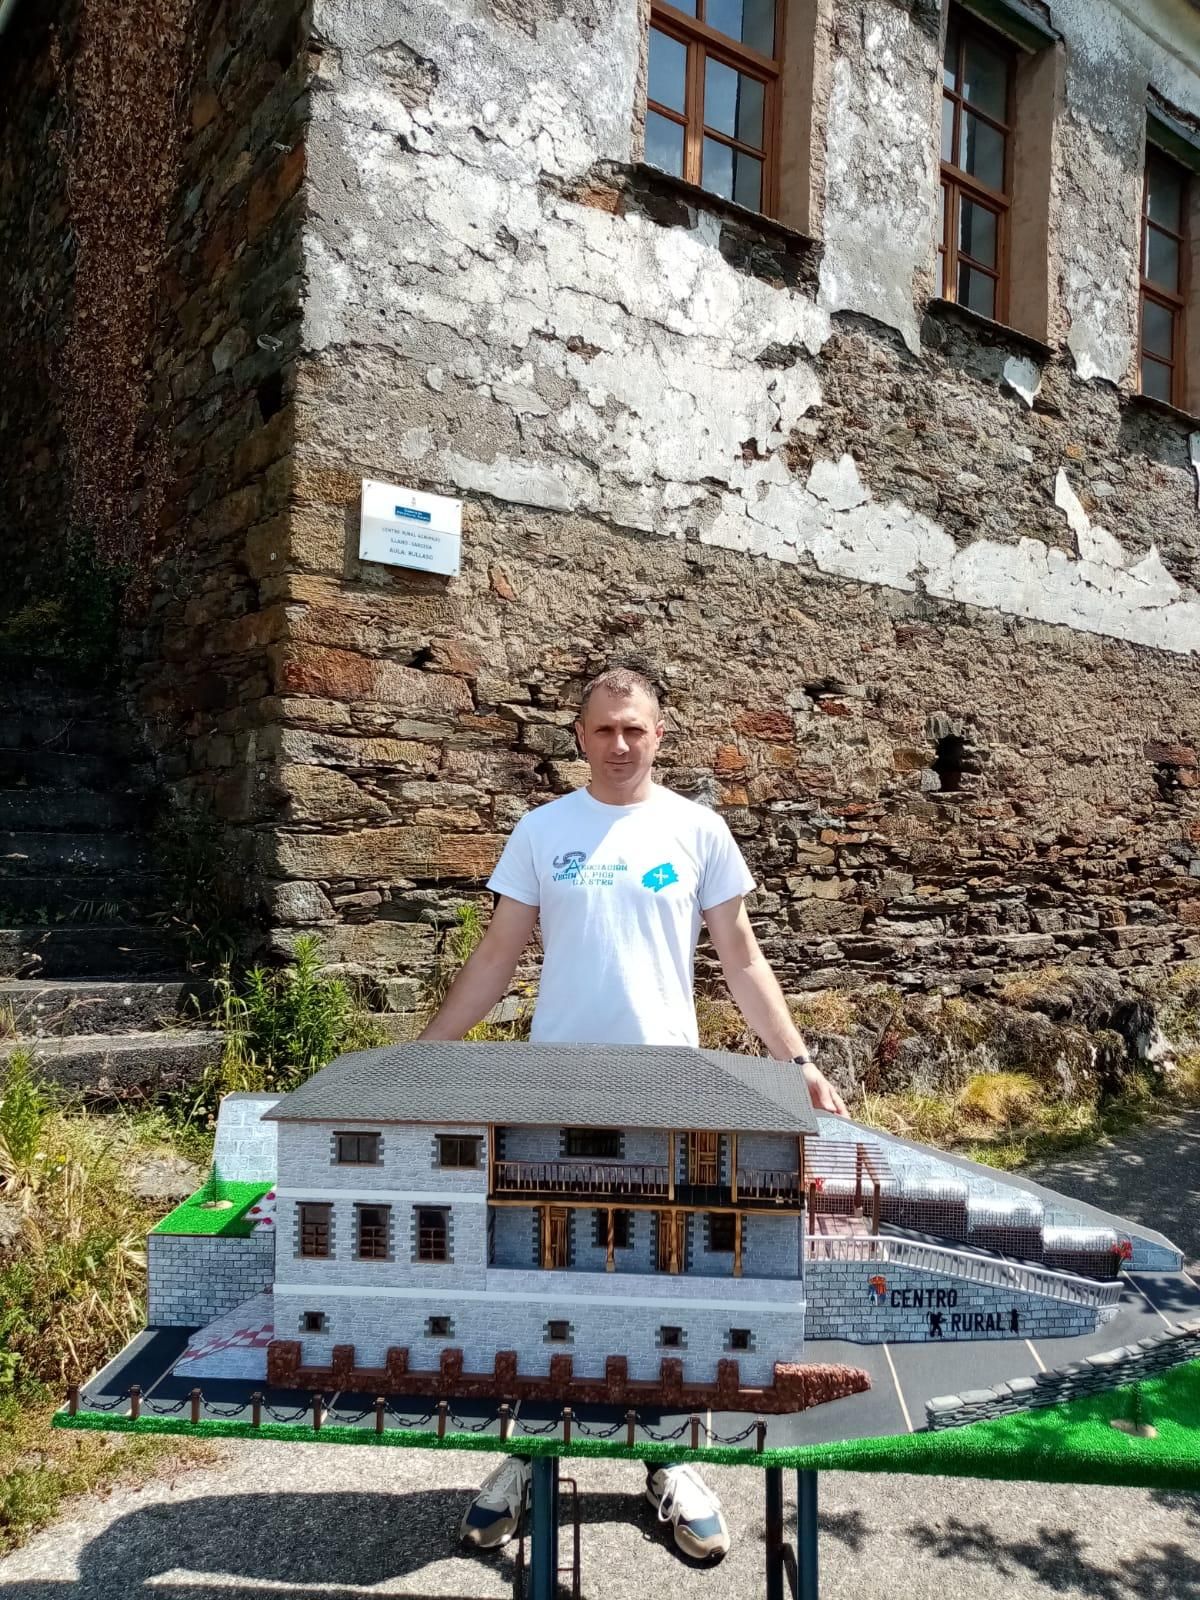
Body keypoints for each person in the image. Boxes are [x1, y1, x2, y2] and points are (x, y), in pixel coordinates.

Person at [419, 666, 847, 1562]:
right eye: (605, 729)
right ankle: (528, 1455)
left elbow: (742, 957)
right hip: (555, 1097)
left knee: (664, 1283)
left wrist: (797, 1062)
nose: (620, 744)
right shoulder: (543, 831)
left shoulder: (698, 830)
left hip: (670, 1101)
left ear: (660, 736)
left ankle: (668, 1458)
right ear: (578, 736)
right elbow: (498, 955)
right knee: (546, 1279)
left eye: (636, 729)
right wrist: (425, 1055)